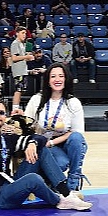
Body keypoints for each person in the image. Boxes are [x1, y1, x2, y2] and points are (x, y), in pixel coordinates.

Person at [0, 98, 92, 213]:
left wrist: (32, 143)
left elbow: (40, 139)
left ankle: (66, 193)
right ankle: (60, 200)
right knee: (33, 179)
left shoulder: (7, 138)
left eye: (1, 113)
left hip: (12, 183)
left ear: (5, 117)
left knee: (40, 149)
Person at [23, 63, 89, 193]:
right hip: (42, 142)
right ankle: (50, 180)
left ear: (66, 79)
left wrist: (52, 142)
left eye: (61, 76)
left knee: (77, 138)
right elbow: (27, 125)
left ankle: (74, 179)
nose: (57, 79)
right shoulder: (36, 100)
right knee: (61, 163)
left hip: (63, 141)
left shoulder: (73, 102)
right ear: (47, 80)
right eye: (53, 76)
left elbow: (76, 132)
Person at [10, 26, 34, 110]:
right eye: (22, 33)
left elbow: (22, 57)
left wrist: (28, 56)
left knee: (22, 90)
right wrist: (26, 57)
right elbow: (14, 58)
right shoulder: (15, 43)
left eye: (25, 33)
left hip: (23, 70)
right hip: (18, 71)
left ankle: (17, 106)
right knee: (18, 90)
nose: (25, 35)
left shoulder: (22, 44)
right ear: (17, 33)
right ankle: (15, 109)